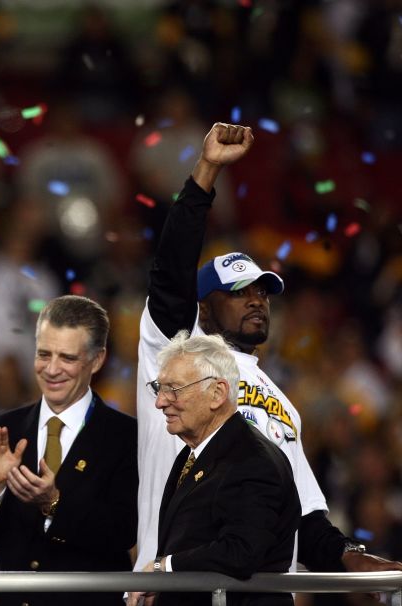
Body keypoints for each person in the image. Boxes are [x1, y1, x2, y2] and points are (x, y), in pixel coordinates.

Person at [135, 122, 402, 578]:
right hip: (174, 593)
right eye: (238, 291)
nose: (256, 299)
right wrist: (207, 172)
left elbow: (306, 517)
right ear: (202, 307)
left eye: (261, 290)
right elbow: (171, 270)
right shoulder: (175, 355)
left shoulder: (283, 405)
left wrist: (358, 558)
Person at [0, 295, 137, 606]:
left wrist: (55, 504)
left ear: (97, 359)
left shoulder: (126, 437)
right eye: (43, 354)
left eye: (67, 357)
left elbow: (122, 532)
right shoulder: (3, 430)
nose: (51, 369)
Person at [127, 332, 300, 606]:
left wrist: (164, 567)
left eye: (174, 389)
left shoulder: (252, 460)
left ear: (217, 393)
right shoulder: (195, 451)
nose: (160, 402)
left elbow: (241, 552)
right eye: (160, 388)